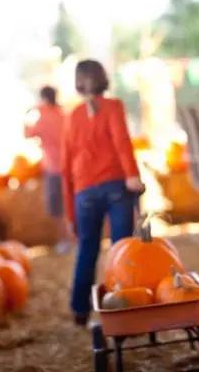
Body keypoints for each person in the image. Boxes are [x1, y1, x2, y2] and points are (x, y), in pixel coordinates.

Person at [61, 59, 144, 326]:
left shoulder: (71, 117)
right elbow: (121, 140)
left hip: (84, 192)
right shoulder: (113, 106)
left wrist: (70, 214)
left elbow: (65, 166)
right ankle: (121, 307)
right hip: (116, 186)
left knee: (87, 249)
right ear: (103, 79)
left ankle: (80, 310)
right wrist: (132, 176)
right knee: (120, 249)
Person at [24, 85, 70, 253]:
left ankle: (65, 241)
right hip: (70, 166)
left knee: (56, 208)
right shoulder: (64, 114)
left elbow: (27, 134)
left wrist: (27, 114)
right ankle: (76, 239)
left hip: (53, 169)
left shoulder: (43, 118)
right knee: (71, 205)